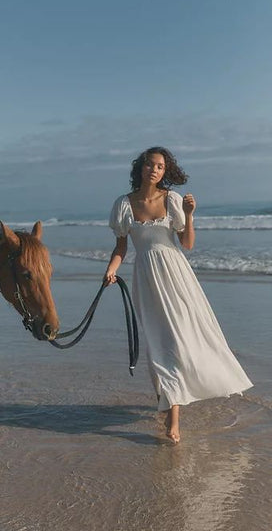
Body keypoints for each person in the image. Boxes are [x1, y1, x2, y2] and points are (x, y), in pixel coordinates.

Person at [104, 146, 253, 444]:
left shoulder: (172, 200)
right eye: (150, 164)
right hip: (146, 278)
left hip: (177, 275)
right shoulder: (124, 204)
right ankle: (166, 395)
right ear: (141, 168)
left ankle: (173, 417)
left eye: (160, 166)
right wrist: (111, 269)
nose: (154, 169)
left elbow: (186, 243)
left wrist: (189, 214)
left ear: (165, 171)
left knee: (179, 338)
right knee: (159, 340)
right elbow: (122, 247)